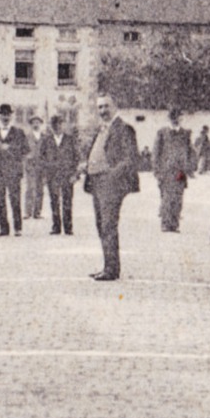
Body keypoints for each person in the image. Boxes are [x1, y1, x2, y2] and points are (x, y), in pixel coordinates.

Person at [80, 94, 138, 282]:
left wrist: (111, 175)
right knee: (101, 225)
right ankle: (107, 265)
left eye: (106, 106)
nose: (103, 111)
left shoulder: (124, 129)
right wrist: (87, 166)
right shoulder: (102, 129)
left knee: (108, 225)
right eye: (100, 108)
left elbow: (129, 159)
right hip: (96, 183)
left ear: (115, 106)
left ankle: (112, 269)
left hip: (110, 185)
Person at [0, 104, 29, 236]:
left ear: (11, 116)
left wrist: (8, 147)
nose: (5, 117)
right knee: (0, 200)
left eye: (7, 114)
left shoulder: (19, 133)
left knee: (15, 199)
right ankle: (4, 228)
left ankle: (18, 228)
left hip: (13, 171)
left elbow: (25, 150)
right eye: (3, 114)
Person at [153, 109, 195, 232]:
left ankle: (174, 224)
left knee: (178, 197)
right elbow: (156, 152)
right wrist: (157, 171)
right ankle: (165, 223)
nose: (176, 120)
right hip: (166, 171)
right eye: (174, 118)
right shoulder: (162, 133)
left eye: (178, 118)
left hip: (180, 172)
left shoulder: (185, 134)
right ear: (169, 119)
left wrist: (190, 167)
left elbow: (190, 151)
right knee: (166, 197)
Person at [36, 114, 77, 235]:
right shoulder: (46, 140)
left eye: (59, 124)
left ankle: (68, 227)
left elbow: (76, 157)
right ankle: (56, 227)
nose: (57, 127)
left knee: (68, 200)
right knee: (54, 200)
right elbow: (41, 157)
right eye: (55, 125)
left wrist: (75, 174)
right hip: (52, 175)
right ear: (51, 127)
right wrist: (44, 173)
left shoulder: (70, 139)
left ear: (63, 125)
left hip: (67, 174)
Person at [22, 114, 47, 222]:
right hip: (30, 165)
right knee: (30, 188)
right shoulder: (27, 137)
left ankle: (37, 212)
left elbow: (47, 151)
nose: (36, 124)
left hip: (41, 165)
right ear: (31, 124)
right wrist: (27, 158)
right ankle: (28, 212)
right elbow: (22, 151)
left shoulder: (44, 137)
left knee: (40, 189)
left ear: (40, 124)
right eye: (34, 122)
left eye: (38, 122)